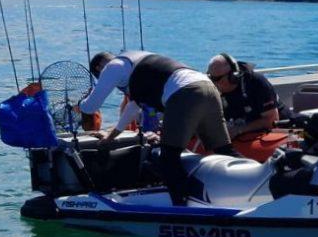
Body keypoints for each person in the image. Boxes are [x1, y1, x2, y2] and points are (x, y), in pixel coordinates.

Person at [77, 50, 232, 205]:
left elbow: (91, 107)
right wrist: (112, 136)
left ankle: (184, 207)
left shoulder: (113, 66)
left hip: (186, 94)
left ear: (99, 67)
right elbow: (133, 107)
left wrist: (79, 105)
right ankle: (249, 193)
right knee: (224, 150)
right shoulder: (139, 61)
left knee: (168, 158)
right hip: (208, 87)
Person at [207, 53, 280, 138]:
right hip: (238, 131)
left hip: (273, 131)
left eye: (219, 79)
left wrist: (239, 130)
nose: (215, 84)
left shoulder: (256, 83)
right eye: (212, 79)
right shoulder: (212, 88)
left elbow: (271, 120)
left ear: (233, 76)